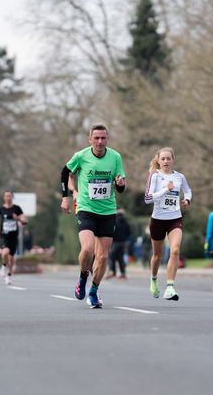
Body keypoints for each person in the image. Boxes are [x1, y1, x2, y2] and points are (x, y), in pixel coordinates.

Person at [60, 124, 127, 308]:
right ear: (90, 139)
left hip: (107, 211)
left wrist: (120, 183)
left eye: (103, 138)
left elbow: (121, 188)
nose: (99, 141)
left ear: (107, 139)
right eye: (96, 138)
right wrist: (65, 198)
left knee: (103, 257)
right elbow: (65, 172)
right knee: (88, 249)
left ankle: (94, 291)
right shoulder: (81, 156)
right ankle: (83, 277)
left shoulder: (115, 157)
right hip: (86, 208)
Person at [144, 147, 192, 301]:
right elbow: (148, 199)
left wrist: (187, 199)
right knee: (157, 255)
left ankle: (170, 287)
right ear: (158, 160)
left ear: (173, 160)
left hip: (174, 219)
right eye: (163, 158)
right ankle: (153, 280)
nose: (165, 161)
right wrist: (165, 189)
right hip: (157, 220)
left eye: (168, 158)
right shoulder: (155, 176)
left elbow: (188, 190)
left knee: (175, 250)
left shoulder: (179, 177)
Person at [0, 190, 26, 285]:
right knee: (5, 252)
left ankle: (9, 275)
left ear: (12, 197)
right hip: (4, 236)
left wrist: (18, 218)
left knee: (11, 259)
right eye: (6, 196)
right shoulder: (1, 209)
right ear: (4, 197)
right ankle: (3, 267)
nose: (8, 198)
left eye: (9, 196)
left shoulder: (17, 208)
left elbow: (24, 221)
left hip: (14, 236)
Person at [106, 208, 131, 280]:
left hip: (115, 242)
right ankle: (123, 273)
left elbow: (111, 231)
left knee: (111, 256)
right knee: (121, 258)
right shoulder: (126, 222)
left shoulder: (114, 221)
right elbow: (129, 233)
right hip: (123, 242)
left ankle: (112, 271)